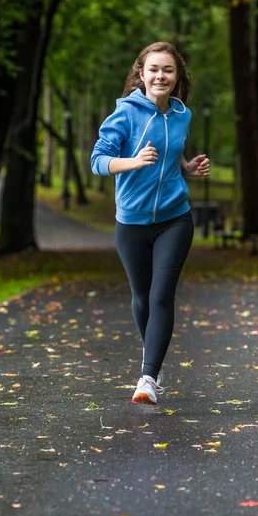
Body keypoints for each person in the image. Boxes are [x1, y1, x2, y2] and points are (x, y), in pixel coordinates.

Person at [91, 42, 210, 405]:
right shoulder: (124, 115)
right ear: (141, 74)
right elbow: (98, 161)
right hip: (131, 222)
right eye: (154, 69)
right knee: (141, 297)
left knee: (161, 294)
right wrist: (133, 161)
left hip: (175, 218)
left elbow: (172, 155)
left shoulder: (181, 115)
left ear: (177, 77)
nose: (161, 76)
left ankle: (147, 377)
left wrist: (186, 168)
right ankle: (154, 363)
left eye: (168, 70)